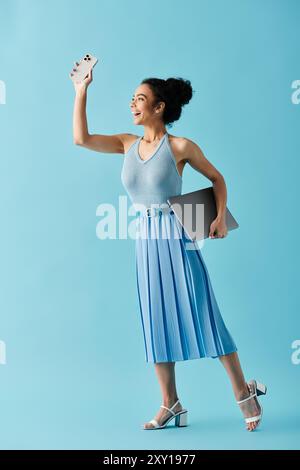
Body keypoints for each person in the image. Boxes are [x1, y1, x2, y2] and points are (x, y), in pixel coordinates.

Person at [69, 64, 267, 432]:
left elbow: (217, 178)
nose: (133, 104)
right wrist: (81, 90)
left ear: (159, 107)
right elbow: (81, 138)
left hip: (178, 237)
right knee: (154, 318)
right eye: (133, 99)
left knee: (204, 311)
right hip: (145, 241)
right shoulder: (126, 143)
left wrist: (219, 217)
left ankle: (244, 392)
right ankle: (170, 403)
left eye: (140, 99)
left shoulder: (180, 146)